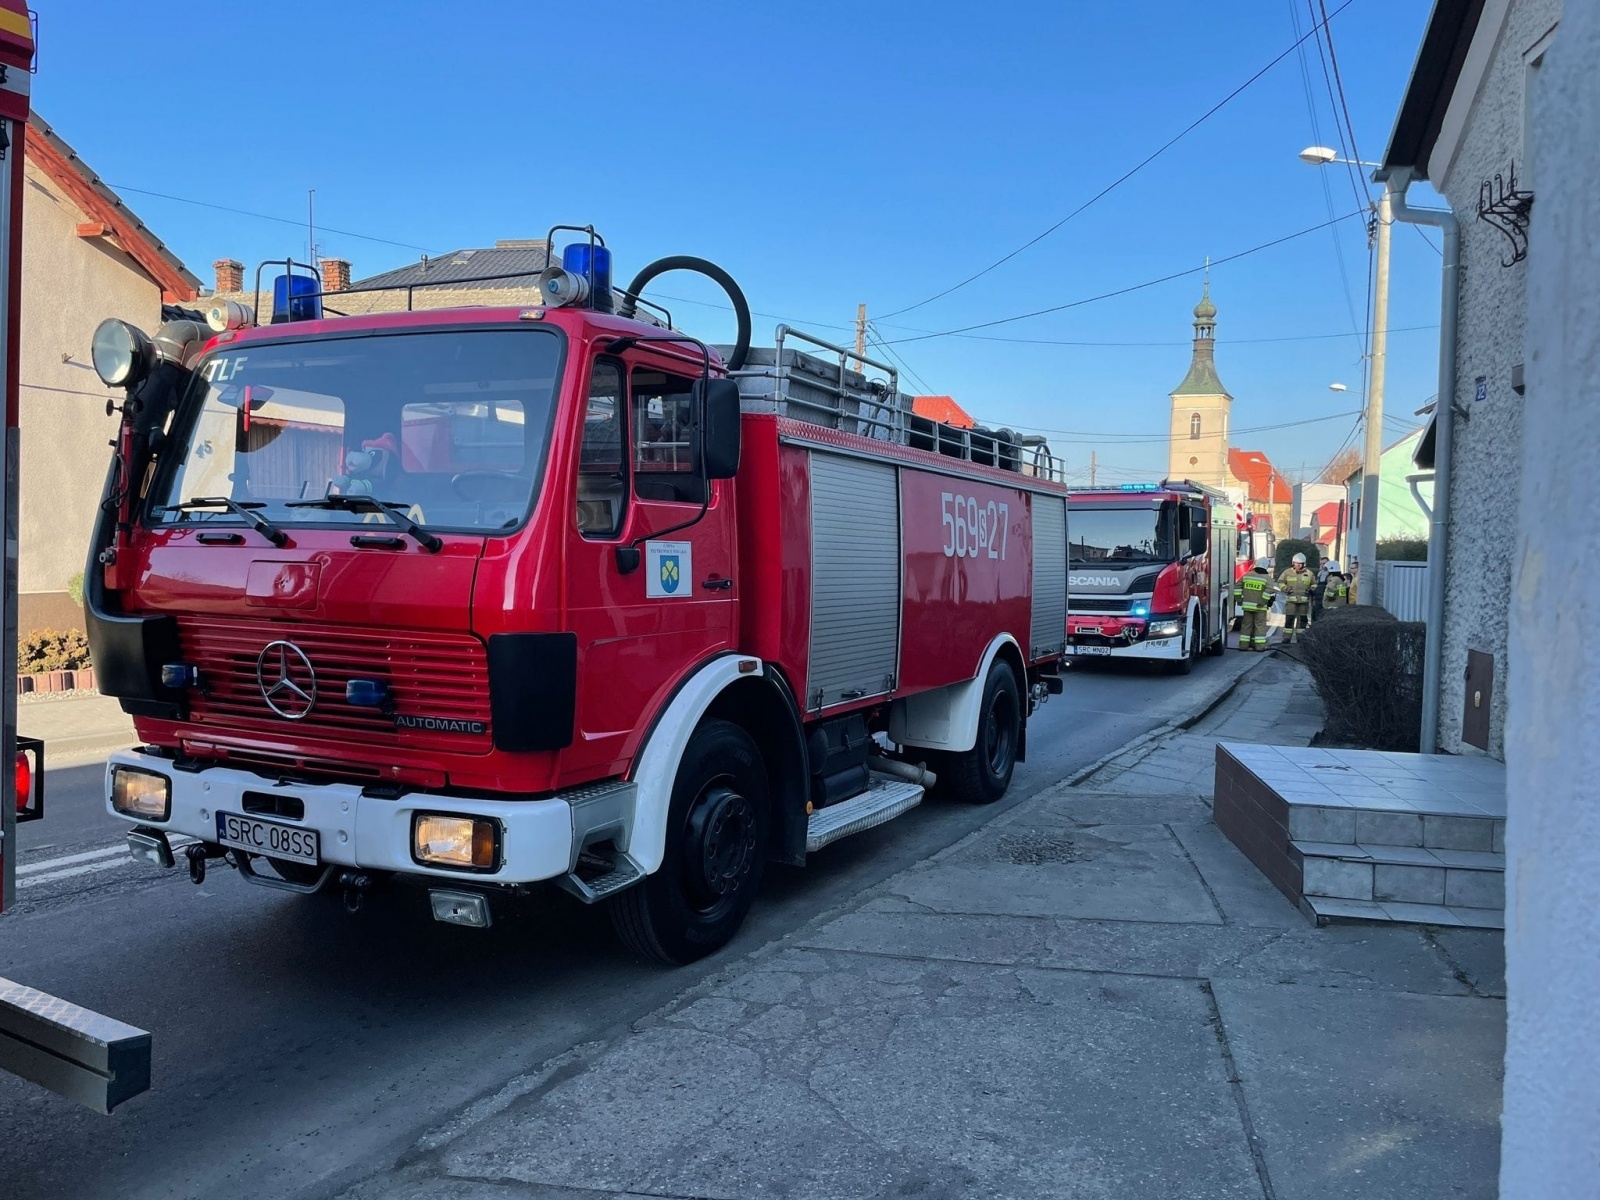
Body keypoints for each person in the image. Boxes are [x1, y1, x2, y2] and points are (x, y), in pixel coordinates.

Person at [1278, 552, 1315, 643]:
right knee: (1289, 620)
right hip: (1291, 602)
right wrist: (1285, 589)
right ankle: (1286, 638)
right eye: (1296, 563)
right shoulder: (1287, 572)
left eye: (1300, 563)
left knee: (1302, 621)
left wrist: (1311, 590)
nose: (1297, 565)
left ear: (1304, 564)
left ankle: (1300, 638)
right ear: (1293, 562)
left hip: (1304, 602)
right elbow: (1280, 582)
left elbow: (1314, 584)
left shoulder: (1309, 574)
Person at [1238, 562, 1275, 651]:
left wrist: (1239, 599)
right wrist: (1263, 601)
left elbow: (1237, 586)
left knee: (1246, 625)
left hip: (1247, 606)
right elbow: (1269, 590)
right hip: (1260, 607)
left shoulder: (1247, 575)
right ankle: (1259, 647)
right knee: (1260, 626)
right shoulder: (1267, 578)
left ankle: (1243, 646)